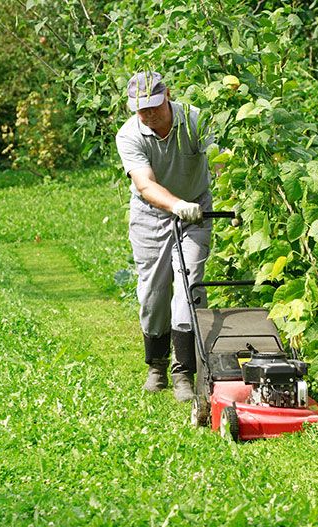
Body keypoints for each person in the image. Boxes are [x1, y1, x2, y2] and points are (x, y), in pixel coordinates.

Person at [115, 71, 213, 402]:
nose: (149, 115)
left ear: (167, 95)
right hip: (151, 214)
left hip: (196, 210)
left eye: (154, 107)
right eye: (141, 110)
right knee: (153, 292)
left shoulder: (195, 120)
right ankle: (156, 365)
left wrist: (237, 196)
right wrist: (175, 205)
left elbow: (220, 160)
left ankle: (184, 372)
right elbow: (144, 184)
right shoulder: (129, 135)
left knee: (189, 285)